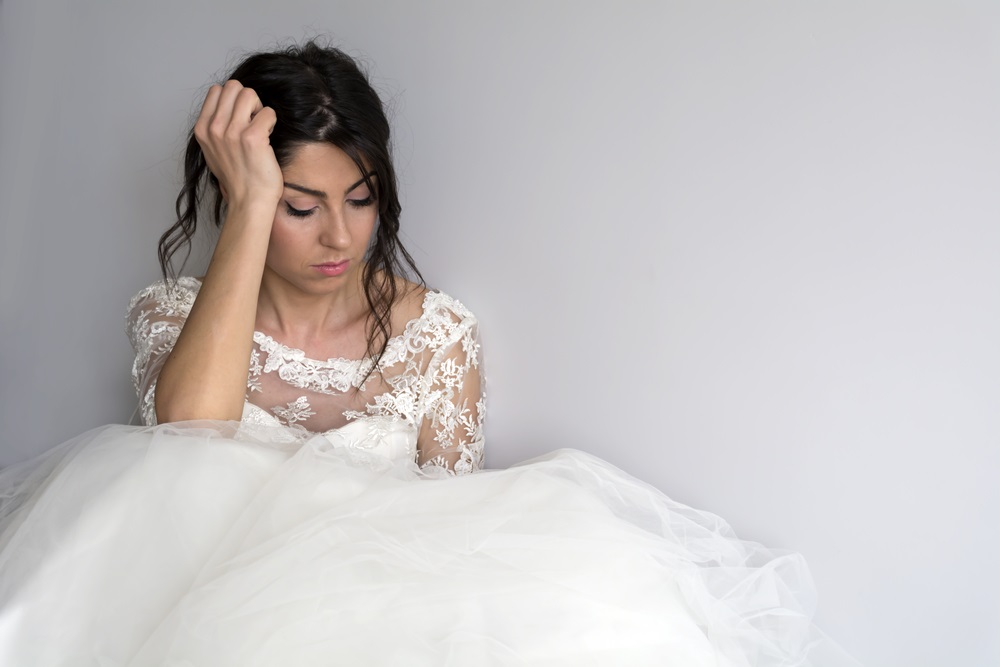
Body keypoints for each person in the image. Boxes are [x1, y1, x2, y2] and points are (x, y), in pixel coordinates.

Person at [0, 41, 860, 666]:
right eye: (302, 204)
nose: (341, 234)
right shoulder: (171, 312)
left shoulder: (438, 337)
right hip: (182, 613)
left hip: (371, 624)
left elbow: (449, 542)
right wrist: (255, 199)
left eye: (362, 197)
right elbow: (189, 436)